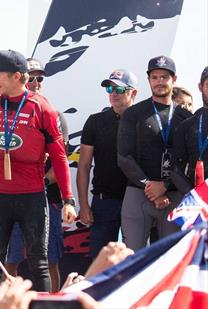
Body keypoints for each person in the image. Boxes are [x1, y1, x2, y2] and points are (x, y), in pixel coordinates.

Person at [0, 49, 75, 292]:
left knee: (39, 264)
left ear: (17, 76)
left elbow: (60, 156)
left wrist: (68, 200)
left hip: (32, 197)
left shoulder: (41, 108)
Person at [4, 58, 69, 291]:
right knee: (10, 261)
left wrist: (39, 182)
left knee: (49, 261)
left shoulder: (55, 116)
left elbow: (61, 161)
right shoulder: (4, 113)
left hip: (46, 200)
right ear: (20, 79)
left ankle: (52, 306)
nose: (35, 82)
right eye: (30, 77)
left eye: (39, 78)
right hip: (12, 199)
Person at [117, 55, 191, 250]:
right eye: (155, 77)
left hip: (174, 195)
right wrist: (151, 187)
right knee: (133, 260)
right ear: (149, 80)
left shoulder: (186, 117)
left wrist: (165, 185)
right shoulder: (133, 114)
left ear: (174, 80)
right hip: (139, 192)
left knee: (171, 260)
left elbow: (189, 162)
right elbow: (124, 157)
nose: (159, 81)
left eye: (164, 77)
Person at [77, 69, 137, 259]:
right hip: (104, 202)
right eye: (109, 88)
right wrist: (84, 205)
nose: (113, 93)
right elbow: (84, 165)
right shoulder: (96, 121)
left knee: (137, 261)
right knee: (100, 262)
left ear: (133, 92)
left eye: (118, 89)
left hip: (136, 199)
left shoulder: (144, 120)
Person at [172, 66, 208, 192]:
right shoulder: (187, 125)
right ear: (200, 87)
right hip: (198, 202)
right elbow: (175, 169)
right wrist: (193, 195)